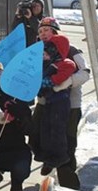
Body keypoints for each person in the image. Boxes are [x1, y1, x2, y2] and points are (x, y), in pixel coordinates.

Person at [37, 17, 91, 190]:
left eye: (46, 30)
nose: (43, 34)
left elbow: (85, 73)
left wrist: (68, 82)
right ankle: (47, 159)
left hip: (69, 106)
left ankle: (69, 187)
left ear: (55, 31)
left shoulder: (72, 50)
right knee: (36, 133)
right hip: (45, 103)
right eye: (40, 31)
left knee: (66, 145)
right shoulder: (37, 51)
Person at [0, 62, 33, 191]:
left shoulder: (15, 97)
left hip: (14, 147)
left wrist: (20, 113)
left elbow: (29, 128)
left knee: (21, 167)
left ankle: (16, 183)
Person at [29, 34, 76, 175]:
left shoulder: (66, 63)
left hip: (60, 102)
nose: (43, 56)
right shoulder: (46, 65)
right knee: (45, 128)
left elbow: (60, 77)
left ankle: (59, 156)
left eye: (46, 53)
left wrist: (47, 82)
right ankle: (45, 154)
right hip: (48, 102)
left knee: (57, 129)